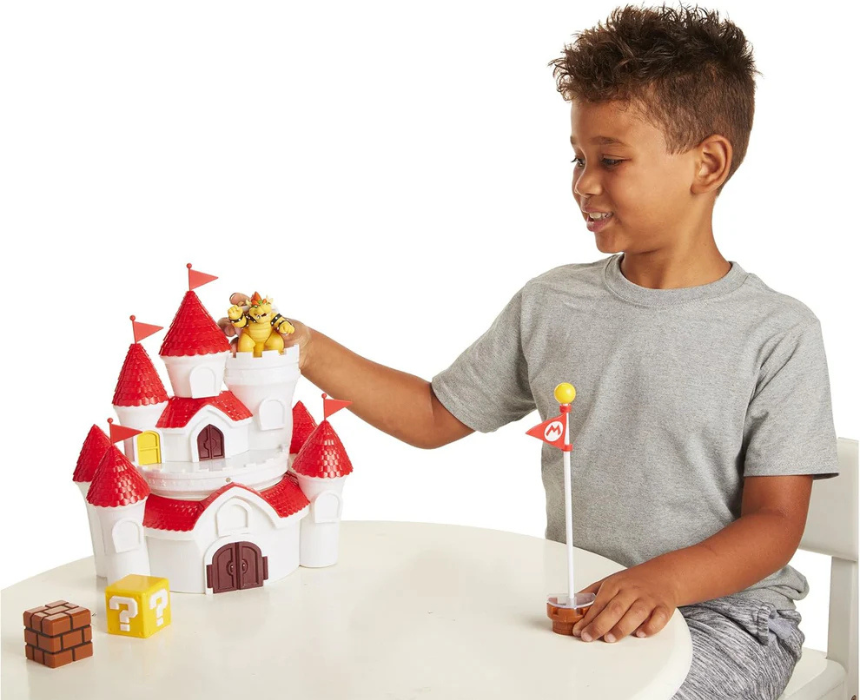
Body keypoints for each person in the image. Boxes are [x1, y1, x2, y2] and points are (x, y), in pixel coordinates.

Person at [220, 4, 840, 698]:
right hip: (584, 606)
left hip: (730, 620)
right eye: (579, 158)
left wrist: (664, 581)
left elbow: (775, 523)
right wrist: (306, 350)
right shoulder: (553, 304)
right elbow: (433, 415)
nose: (583, 182)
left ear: (708, 163)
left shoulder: (778, 333)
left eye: (611, 159)